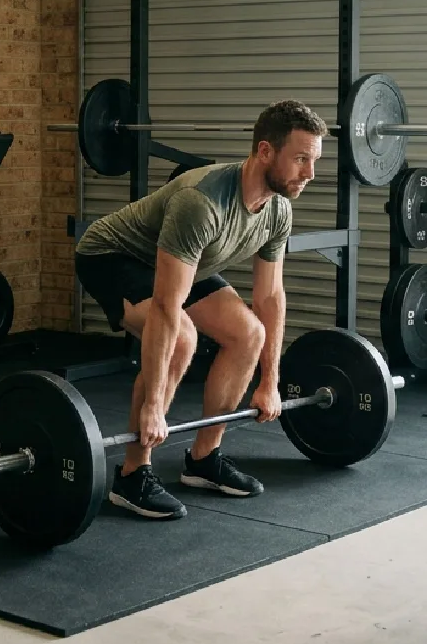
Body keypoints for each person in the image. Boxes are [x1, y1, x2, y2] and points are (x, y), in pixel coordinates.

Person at [75, 100, 327, 520]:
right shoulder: (202, 203)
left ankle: (204, 459)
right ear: (265, 151)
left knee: (249, 333)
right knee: (181, 340)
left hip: (184, 263)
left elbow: (269, 297)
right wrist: (154, 404)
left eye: (314, 161)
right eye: (301, 159)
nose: (310, 174)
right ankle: (133, 474)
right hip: (114, 256)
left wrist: (271, 381)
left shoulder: (278, 208)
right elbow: (166, 306)